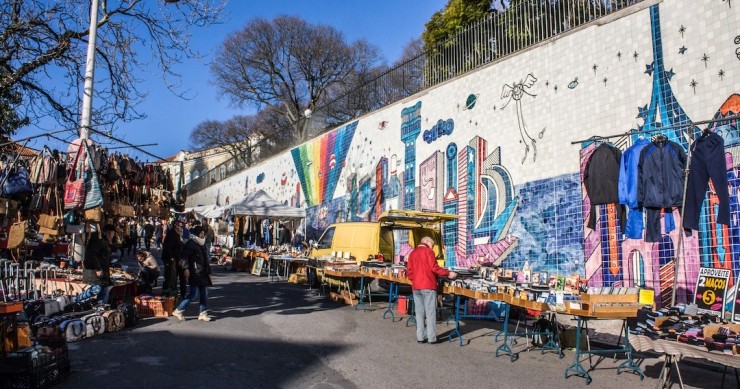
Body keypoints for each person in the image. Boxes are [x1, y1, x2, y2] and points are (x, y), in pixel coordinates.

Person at [406, 236, 457, 344]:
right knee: (430, 312)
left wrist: (415, 279)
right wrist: (448, 273)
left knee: (419, 313)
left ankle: (420, 337)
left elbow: (409, 272)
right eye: (432, 245)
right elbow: (434, 268)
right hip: (428, 285)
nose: (433, 248)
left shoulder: (412, 253)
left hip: (416, 286)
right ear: (427, 242)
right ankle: (432, 338)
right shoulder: (428, 252)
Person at [172, 226, 213, 322]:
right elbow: (184, 258)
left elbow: (205, 260)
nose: (203, 235)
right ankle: (178, 310)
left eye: (203, 233)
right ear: (196, 233)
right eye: (201, 233)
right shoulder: (191, 244)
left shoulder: (201, 243)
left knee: (204, 293)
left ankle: (202, 313)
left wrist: (209, 272)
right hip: (194, 272)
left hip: (203, 272)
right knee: (194, 294)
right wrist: (186, 269)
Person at [75, 224, 116, 303]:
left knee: (104, 289)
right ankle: (76, 299)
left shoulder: (104, 241)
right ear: (109, 233)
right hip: (93, 270)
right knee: (97, 288)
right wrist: (98, 268)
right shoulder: (99, 240)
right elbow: (91, 255)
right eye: (113, 233)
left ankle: (100, 308)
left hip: (102, 270)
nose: (113, 235)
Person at [161, 220, 185, 297]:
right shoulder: (172, 234)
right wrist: (171, 257)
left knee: (173, 276)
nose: (181, 228)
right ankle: (168, 293)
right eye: (180, 226)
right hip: (170, 259)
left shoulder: (177, 234)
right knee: (170, 276)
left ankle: (172, 292)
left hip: (175, 258)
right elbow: (168, 247)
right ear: (176, 226)